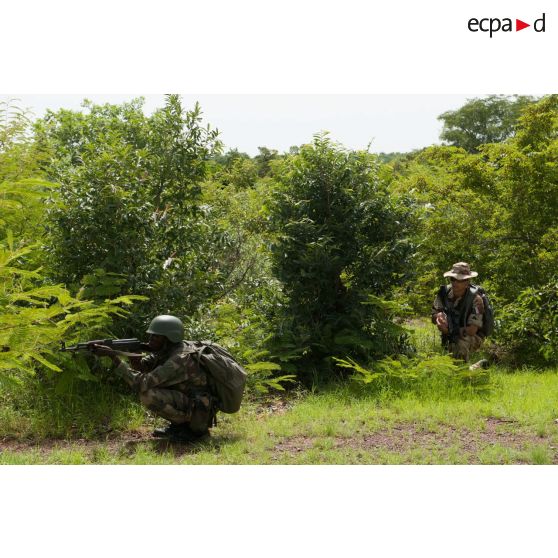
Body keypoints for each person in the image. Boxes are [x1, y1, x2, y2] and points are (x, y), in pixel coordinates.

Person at [91, 315, 216, 442]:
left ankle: (193, 431)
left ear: (169, 338)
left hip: (199, 411)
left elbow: (141, 384)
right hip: (188, 401)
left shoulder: (178, 359)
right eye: (151, 335)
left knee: (148, 395)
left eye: (156, 336)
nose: (150, 340)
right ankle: (179, 427)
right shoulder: (168, 350)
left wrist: (114, 357)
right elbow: (145, 367)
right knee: (153, 390)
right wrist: (135, 360)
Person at [431, 262, 488, 369]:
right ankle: (475, 367)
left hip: (472, 336)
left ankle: (467, 374)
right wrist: (438, 317)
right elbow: (434, 314)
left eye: (460, 280)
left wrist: (449, 331)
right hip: (450, 334)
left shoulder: (476, 299)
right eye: (453, 279)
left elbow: (472, 330)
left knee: (459, 345)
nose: (455, 283)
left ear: (467, 281)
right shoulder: (444, 293)